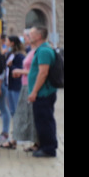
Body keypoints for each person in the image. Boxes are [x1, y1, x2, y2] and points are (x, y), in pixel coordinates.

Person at [26, 26, 58, 158]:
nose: (28, 36)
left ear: (38, 36)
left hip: (43, 93)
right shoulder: (41, 50)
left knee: (44, 120)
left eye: (31, 34)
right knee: (42, 120)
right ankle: (45, 146)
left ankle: (48, 148)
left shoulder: (44, 51)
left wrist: (34, 92)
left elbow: (43, 72)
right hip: (42, 92)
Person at [0, 36, 26, 149]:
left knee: (16, 112)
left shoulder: (19, 56)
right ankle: (15, 135)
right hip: (9, 85)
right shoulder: (10, 54)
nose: (6, 43)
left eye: (7, 41)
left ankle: (17, 136)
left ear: (12, 43)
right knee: (13, 111)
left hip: (16, 86)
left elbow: (20, 69)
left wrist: (12, 66)